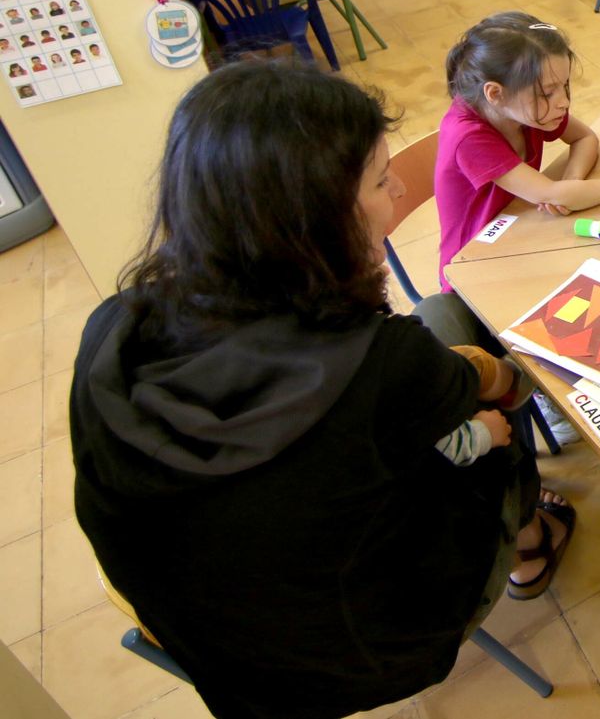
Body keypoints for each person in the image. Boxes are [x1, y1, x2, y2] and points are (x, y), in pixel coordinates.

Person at [71, 61, 573, 719]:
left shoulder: (115, 328)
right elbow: (482, 385)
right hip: (373, 646)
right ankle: (530, 546)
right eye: (378, 179)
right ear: (308, 219)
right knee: (492, 427)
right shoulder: (378, 361)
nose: (397, 192)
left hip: (217, 659)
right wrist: (497, 382)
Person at [433, 12, 600, 312]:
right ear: (495, 93)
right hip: (474, 275)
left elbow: (585, 138)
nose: (562, 101)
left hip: (525, 232)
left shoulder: (523, 108)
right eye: (548, 92)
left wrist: (572, 181)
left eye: (564, 86)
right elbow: (552, 195)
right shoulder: (468, 136)